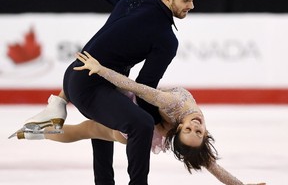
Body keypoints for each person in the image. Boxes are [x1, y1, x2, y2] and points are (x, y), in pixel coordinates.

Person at [16, 0, 198, 184]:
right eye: (186, 1)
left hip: (75, 75)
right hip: (90, 88)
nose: (191, 6)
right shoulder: (166, 40)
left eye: (192, 0)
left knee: (108, 122)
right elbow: (144, 88)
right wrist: (160, 123)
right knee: (142, 124)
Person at [16, 51, 265, 185]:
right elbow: (211, 165)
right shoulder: (185, 114)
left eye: (189, 131)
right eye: (197, 132)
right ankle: (38, 128)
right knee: (85, 129)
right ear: (205, 134)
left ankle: (36, 130)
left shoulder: (174, 106)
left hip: (130, 127)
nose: (195, 127)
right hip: (135, 108)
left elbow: (138, 89)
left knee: (86, 130)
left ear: (179, 130)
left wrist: (102, 70)